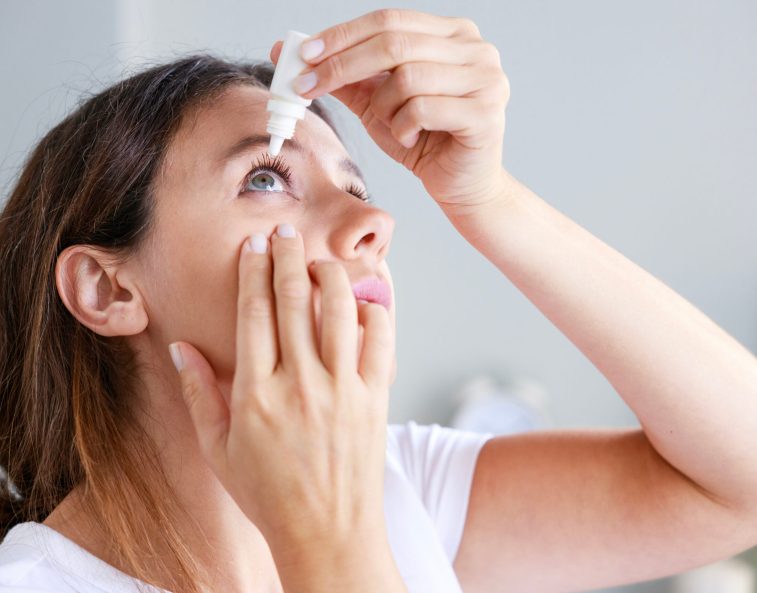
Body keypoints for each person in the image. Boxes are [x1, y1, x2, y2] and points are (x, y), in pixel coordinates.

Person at [1, 8, 756, 593]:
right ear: (108, 287)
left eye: (357, 188)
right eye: (266, 177)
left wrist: (488, 201)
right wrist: (327, 543)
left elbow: (737, 484)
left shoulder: (397, 487)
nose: (374, 223)